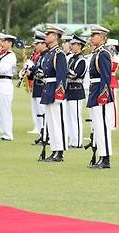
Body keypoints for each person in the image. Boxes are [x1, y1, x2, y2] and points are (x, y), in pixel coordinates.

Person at [38, 24, 68, 162]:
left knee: (58, 122)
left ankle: (59, 151)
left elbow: (62, 75)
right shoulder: (50, 53)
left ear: (55, 36)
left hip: (55, 89)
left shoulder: (59, 54)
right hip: (48, 88)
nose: (46, 36)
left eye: (49, 34)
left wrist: (60, 93)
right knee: (51, 122)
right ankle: (54, 149)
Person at [87, 25, 114, 169]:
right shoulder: (97, 53)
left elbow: (105, 76)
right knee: (97, 126)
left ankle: (105, 158)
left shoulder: (103, 53)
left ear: (103, 37)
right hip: (94, 90)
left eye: (95, 35)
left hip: (100, 92)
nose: (92, 38)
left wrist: (103, 95)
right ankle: (101, 156)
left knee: (103, 126)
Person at [66, 35, 88, 148]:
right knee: (69, 117)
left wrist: (64, 70)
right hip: (69, 90)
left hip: (77, 90)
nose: (71, 46)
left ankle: (78, 141)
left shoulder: (82, 60)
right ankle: (72, 140)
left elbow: (75, 74)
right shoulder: (71, 58)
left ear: (79, 46)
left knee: (75, 117)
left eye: (74, 44)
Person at [26, 32, 47, 143]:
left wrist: (33, 69)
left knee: (43, 113)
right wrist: (28, 70)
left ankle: (45, 135)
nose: (35, 46)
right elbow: (33, 72)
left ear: (44, 43)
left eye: (37, 43)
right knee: (38, 113)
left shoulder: (45, 56)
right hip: (36, 87)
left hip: (42, 87)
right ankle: (41, 134)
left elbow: (43, 71)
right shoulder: (39, 57)